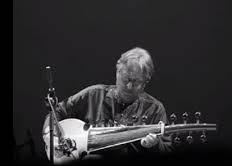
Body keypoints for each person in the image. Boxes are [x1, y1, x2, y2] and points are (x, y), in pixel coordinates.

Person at [42, 47, 174, 160]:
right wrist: (50, 133)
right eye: (126, 79)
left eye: (136, 82)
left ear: (146, 81)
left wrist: (154, 146)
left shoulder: (155, 109)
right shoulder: (93, 94)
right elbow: (58, 110)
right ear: (117, 72)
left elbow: (167, 150)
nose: (129, 86)